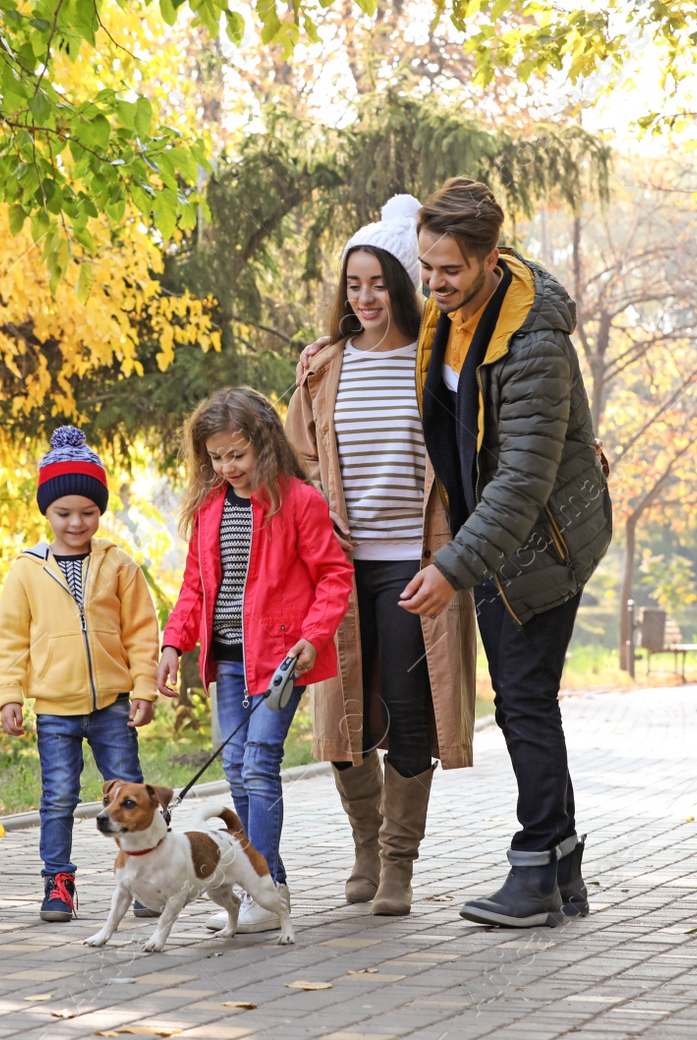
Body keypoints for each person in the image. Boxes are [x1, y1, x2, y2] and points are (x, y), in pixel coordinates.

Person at [284, 195, 478, 918]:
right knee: (342, 722)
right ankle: (364, 846)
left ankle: (398, 864)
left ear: (403, 283)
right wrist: (313, 520)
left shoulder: (440, 363)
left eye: (377, 282)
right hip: (337, 569)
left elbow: (470, 459)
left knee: (406, 713)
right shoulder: (322, 367)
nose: (364, 298)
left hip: (414, 565)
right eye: (353, 283)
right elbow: (296, 464)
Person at [156, 387, 355, 934]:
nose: (227, 467)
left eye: (237, 455)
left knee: (260, 764)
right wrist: (174, 643)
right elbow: (195, 588)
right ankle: (275, 887)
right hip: (228, 663)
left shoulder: (300, 503)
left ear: (265, 443)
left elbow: (334, 576)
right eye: (216, 458)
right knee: (237, 775)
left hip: (279, 660)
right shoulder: (209, 509)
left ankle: (260, 890)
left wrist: (314, 636)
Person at [0, 426, 161, 923]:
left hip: (112, 705)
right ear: (46, 512)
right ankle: (58, 882)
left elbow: (142, 632)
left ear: (100, 511)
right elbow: (9, 639)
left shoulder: (119, 565)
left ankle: (144, 879)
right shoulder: (26, 570)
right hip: (55, 709)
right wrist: (9, 694)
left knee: (129, 796)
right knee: (59, 795)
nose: (76, 522)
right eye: (63, 513)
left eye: (88, 512)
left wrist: (144, 687)